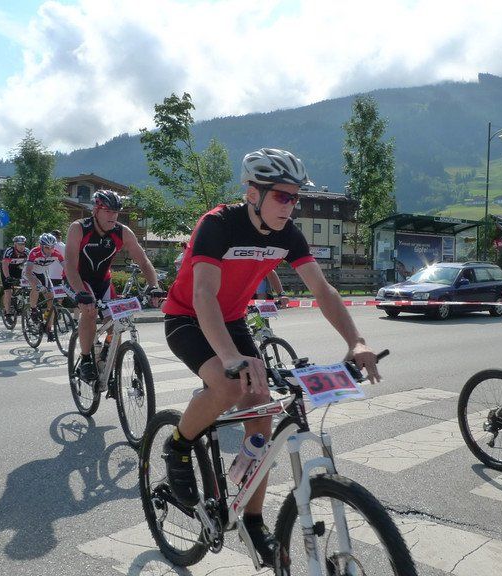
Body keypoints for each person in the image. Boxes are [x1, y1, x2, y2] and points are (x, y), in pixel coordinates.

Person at [160, 148, 382, 567]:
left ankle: (253, 518)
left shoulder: (288, 234)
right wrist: (230, 357)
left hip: (231, 320)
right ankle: (179, 444)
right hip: (188, 317)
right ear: (253, 193)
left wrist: (356, 341)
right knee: (229, 386)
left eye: (295, 197)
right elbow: (203, 294)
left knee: (261, 411)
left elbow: (323, 291)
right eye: (281, 196)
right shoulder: (218, 224)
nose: (290, 205)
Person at [65, 190, 161, 383]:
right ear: (96, 210)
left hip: (103, 282)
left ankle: (107, 358)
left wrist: (154, 286)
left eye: (116, 212)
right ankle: (86, 359)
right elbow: (70, 265)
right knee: (89, 311)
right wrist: (81, 293)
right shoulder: (79, 228)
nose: (113, 216)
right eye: (108, 211)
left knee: (116, 322)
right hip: (77, 279)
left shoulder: (123, 232)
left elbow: (143, 261)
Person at [23, 233, 65, 341]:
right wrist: (37, 284)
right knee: (36, 287)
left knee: (51, 299)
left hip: (43, 273)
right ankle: (33, 309)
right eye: (47, 247)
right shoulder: (34, 252)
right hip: (30, 272)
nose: (50, 250)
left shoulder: (56, 253)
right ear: (41, 246)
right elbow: (28, 272)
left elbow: (67, 268)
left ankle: (48, 328)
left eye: (52, 247)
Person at [1, 235, 29, 318]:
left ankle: (21, 300)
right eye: (19, 244)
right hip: (7, 270)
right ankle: (7, 313)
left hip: (18, 269)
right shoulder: (9, 251)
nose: (21, 246)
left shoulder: (27, 251)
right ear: (15, 244)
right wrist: (7, 277)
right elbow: (5, 265)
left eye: (23, 244)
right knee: (8, 291)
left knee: (27, 286)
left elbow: (30, 265)